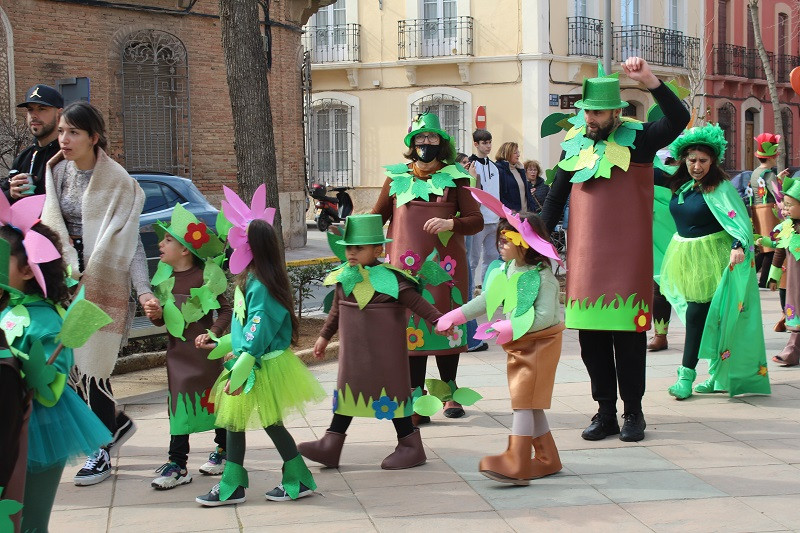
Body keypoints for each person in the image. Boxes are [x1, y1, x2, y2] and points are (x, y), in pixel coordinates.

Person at [540, 57, 689, 442]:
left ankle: (633, 414)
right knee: (591, 340)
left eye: (599, 111)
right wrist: (535, 240)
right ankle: (604, 411)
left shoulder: (639, 140)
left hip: (627, 260)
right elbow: (555, 201)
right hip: (586, 261)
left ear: (616, 112)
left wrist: (651, 81)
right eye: (587, 111)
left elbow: (678, 120)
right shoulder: (572, 146)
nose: (591, 117)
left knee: (628, 339)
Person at [40, 101, 154, 486]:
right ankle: (117, 425)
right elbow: (49, 223)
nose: (64, 139)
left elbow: (131, 241)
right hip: (65, 280)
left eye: (73, 132)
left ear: (94, 137)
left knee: (93, 368)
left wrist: (144, 290)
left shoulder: (118, 181)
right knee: (67, 365)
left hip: (104, 281)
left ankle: (102, 447)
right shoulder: (55, 172)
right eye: (61, 131)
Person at [196, 185, 325, 506]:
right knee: (238, 421)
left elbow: (258, 327)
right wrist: (222, 341)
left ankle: (283, 478)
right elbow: (244, 324)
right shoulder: (255, 279)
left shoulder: (262, 285)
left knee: (259, 421)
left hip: (259, 363)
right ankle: (240, 481)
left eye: (238, 240)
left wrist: (242, 356)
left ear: (252, 247)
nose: (232, 243)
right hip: (251, 360)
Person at [299, 214, 448, 470]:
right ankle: (331, 445)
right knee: (349, 393)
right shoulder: (345, 277)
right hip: (355, 354)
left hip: (385, 355)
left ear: (378, 249)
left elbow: (417, 303)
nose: (352, 253)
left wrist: (439, 321)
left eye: (360, 248)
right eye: (349, 248)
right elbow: (336, 311)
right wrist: (324, 337)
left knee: (393, 395)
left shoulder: (392, 279)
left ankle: (411, 446)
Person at [437, 190, 564, 485]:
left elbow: (545, 316)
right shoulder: (506, 270)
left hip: (540, 344)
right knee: (530, 403)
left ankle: (517, 460)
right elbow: (485, 301)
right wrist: (455, 316)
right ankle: (548, 458)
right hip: (521, 344)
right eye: (501, 240)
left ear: (525, 243)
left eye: (507, 240)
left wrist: (508, 328)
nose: (501, 245)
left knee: (523, 402)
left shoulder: (543, 277)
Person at [0, 212, 111, 533]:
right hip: (6, 420)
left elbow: (53, 371)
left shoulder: (47, 318)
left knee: (28, 520)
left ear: (26, 270)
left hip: (40, 424)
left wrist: (19, 362)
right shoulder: (5, 307)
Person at [371, 113, 483, 422]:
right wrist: (354, 240)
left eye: (432, 138)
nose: (425, 143)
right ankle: (416, 397)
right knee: (412, 333)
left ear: (442, 142)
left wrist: (451, 222)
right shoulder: (396, 178)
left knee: (447, 329)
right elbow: (376, 217)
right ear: (411, 143)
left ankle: (449, 394)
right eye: (420, 138)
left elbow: (475, 221)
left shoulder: (457, 176)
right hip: (405, 274)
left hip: (447, 271)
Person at [660, 123, 770, 399]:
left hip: (716, 260)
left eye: (703, 161)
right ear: (684, 159)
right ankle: (717, 374)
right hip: (686, 256)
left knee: (701, 317)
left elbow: (738, 222)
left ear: (713, 161)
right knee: (706, 318)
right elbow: (643, 173)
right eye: (692, 159)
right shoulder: (680, 184)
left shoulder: (719, 188)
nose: (697, 166)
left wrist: (738, 246)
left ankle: (686, 376)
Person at [142, 206, 232, 489]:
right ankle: (178, 464)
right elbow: (164, 322)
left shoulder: (206, 275)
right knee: (179, 407)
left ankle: (224, 451)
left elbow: (226, 311)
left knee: (213, 403)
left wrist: (213, 332)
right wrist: (155, 314)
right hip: (178, 356)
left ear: (185, 249)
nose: (160, 244)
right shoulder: (164, 279)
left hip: (205, 356)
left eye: (168, 240)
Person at [760, 179, 800, 366]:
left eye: (790, 205)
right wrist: (773, 277)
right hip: (794, 283)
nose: (785, 210)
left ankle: (793, 349)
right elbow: (779, 251)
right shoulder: (787, 228)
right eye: (785, 205)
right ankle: (792, 349)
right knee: (795, 312)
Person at [2, 85, 63, 203]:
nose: (34, 115)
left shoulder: (67, 154)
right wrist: (11, 193)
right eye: (30, 109)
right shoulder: (24, 157)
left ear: (59, 114)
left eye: (42, 109)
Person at [749, 133, 790, 288]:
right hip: (768, 211)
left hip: (757, 210)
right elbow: (776, 194)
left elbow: (763, 188)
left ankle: (755, 277)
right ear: (771, 157)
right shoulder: (769, 173)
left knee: (764, 247)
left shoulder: (756, 172)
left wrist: (777, 178)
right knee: (771, 247)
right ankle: (763, 281)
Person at [468, 129, 499, 285]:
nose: (488, 146)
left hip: (494, 219)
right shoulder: (469, 166)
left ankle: (487, 292)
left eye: (489, 142)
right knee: (473, 260)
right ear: (476, 144)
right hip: (478, 220)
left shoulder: (494, 167)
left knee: (492, 258)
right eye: (484, 143)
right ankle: (470, 293)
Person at [495, 142, 536, 215]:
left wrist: (532, 208)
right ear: (507, 153)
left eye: (518, 152)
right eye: (515, 153)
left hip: (525, 214)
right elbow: (499, 194)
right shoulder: (499, 170)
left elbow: (526, 193)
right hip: (511, 215)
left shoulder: (519, 169)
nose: (518, 155)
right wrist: (510, 210)